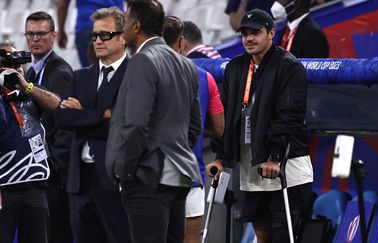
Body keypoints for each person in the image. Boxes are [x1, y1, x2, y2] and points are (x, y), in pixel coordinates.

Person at [206, 9, 314, 243]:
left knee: (284, 237)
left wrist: (275, 157)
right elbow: (228, 115)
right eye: (244, 34)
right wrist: (221, 158)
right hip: (251, 168)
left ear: (271, 33)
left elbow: (289, 116)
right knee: (262, 236)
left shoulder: (288, 66)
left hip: (285, 168)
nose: (249, 38)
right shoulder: (236, 67)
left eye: (255, 32)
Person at [105, 1, 203, 242]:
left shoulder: (142, 60)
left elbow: (136, 124)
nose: (122, 29)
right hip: (179, 176)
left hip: (147, 176)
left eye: (125, 23)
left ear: (136, 26)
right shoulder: (186, 64)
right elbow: (194, 127)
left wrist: (125, 170)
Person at [56, 7, 131, 243]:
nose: (97, 40)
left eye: (105, 35)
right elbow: (64, 119)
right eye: (94, 35)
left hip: (115, 180)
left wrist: (84, 115)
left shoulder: (135, 74)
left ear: (123, 37)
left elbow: (124, 124)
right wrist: (102, 115)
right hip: (80, 181)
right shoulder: (81, 76)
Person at [163, 16, 225, 243]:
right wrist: (197, 132)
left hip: (152, 176)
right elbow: (219, 128)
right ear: (181, 43)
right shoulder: (205, 77)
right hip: (191, 174)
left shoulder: (142, 74)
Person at [0, 40, 63, 243]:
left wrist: (25, 85)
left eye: (16, 60)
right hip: (4, 189)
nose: (13, 66)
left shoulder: (27, 90)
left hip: (36, 186)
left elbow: (55, 104)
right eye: (6, 60)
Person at [24, 11, 74, 243]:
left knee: (54, 234)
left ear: (53, 35)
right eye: (30, 34)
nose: (35, 39)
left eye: (41, 33)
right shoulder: (31, 71)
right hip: (39, 170)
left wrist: (55, 169)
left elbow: (65, 125)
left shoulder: (60, 72)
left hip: (52, 173)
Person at [56, 0, 124, 67]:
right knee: (115, 71)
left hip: (85, 27)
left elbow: (62, 4)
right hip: (114, 29)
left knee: (89, 73)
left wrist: (61, 30)